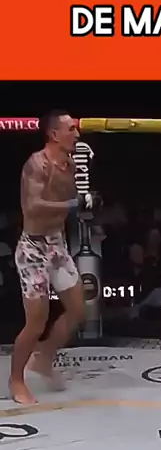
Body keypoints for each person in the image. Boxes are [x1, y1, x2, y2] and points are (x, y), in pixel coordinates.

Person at [9, 110, 94, 404]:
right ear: (54, 134)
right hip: (33, 248)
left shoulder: (71, 165)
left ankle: (44, 357)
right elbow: (33, 206)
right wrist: (74, 204)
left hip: (57, 245)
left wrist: (87, 203)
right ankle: (16, 379)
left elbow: (69, 204)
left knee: (78, 311)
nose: (77, 134)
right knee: (36, 322)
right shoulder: (37, 164)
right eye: (71, 129)